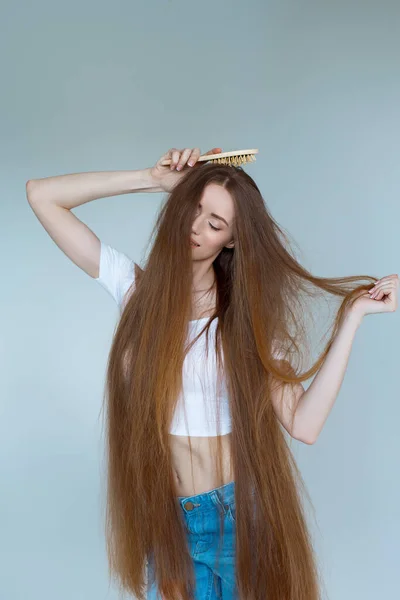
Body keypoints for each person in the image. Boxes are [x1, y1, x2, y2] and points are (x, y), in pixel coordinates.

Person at [26, 148, 398, 600]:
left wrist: (353, 317)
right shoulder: (136, 293)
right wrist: (152, 179)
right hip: (166, 519)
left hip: (235, 520)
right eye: (194, 210)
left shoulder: (245, 323)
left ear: (234, 241)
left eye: (215, 224)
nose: (195, 228)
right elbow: (42, 196)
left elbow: (305, 424)